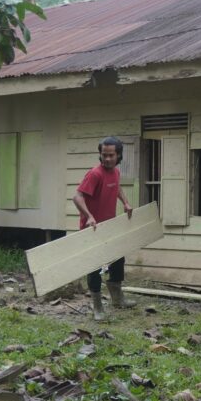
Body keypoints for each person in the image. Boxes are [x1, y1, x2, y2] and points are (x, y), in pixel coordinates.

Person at [72, 136, 135, 321]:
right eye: (104, 155)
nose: (107, 159)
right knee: (94, 267)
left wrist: (125, 202)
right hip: (92, 229)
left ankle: (117, 299)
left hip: (109, 226)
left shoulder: (115, 172)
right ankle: (97, 307)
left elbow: (117, 187)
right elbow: (77, 197)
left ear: (118, 156)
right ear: (100, 155)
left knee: (117, 260)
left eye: (111, 155)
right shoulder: (95, 174)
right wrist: (89, 216)